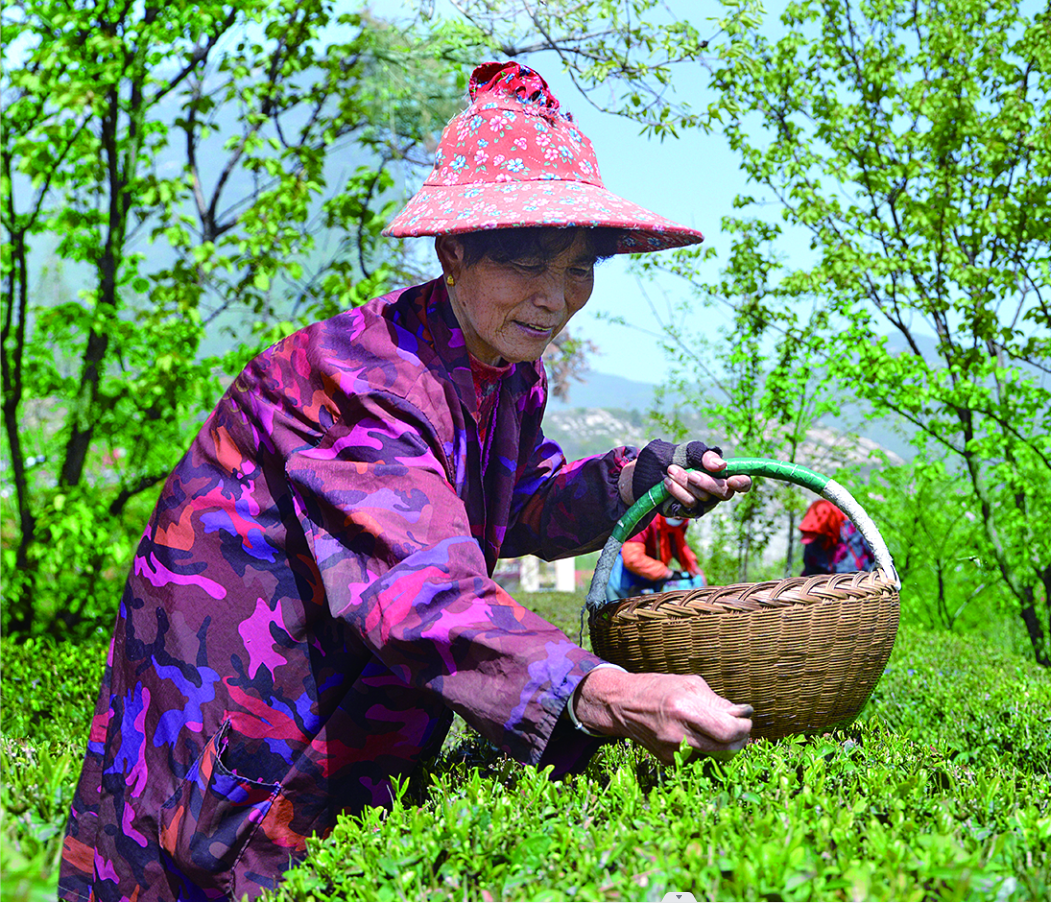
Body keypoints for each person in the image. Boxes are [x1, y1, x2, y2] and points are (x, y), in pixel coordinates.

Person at [58, 61, 756, 903]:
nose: (555, 297)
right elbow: (423, 590)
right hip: (232, 765)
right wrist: (604, 693)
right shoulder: (351, 379)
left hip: (343, 758)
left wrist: (634, 482)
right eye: (528, 261)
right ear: (453, 251)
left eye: (579, 265)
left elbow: (515, 502)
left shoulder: (499, 369)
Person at [607, 513, 706, 600]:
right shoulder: (646, 518)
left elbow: (678, 544)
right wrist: (668, 573)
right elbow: (632, 558)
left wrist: (693, 568)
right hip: (625, 573)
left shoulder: (681, 522)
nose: (679, 518)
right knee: (619, 610)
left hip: (651, 573)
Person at [799, 499, 873, 576]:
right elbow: (810, 572)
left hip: (862, 582)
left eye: (820, 534)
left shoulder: (853, 531)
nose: (818, 538)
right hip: (829, 586)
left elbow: (875, 558)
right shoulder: (813, 543)